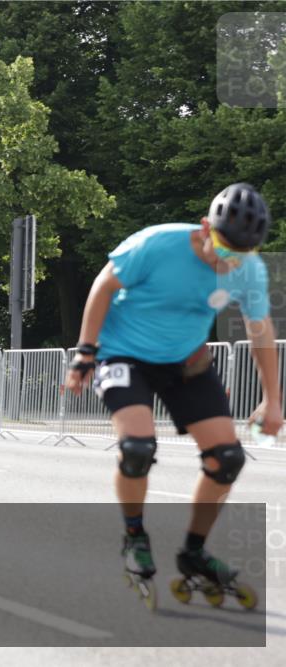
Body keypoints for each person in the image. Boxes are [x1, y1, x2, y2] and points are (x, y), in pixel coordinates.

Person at [65, 182, 276, 610]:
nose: (227, 260)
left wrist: (274, 400)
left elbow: (260, 331)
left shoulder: (248, 268)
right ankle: (134, 536)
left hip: (186, 361)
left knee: (227, 459)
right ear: (204, 228)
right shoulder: (156, 243)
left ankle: (193, 552)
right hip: (124, 354)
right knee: (138, 448)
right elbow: (103, 286)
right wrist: (86, 352)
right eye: (223, 247)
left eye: (240, 253)